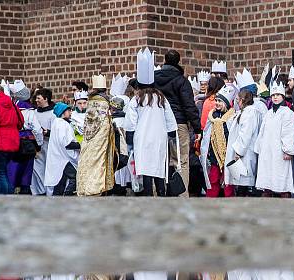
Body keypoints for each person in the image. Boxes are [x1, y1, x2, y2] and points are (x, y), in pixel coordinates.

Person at [124, 48, 178, 197]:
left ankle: (148, 196)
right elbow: (170, 120)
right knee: (159, 168)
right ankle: (161, 193)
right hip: (159, 137)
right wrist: (171, 135)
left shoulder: (136, 99)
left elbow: (130, 123)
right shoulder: (161, 98)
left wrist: (130, 139)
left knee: (146, 169)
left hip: (142, 138)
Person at [155, 49, 202, 197]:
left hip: (158, 123)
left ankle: (157, 194)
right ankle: (182, 196)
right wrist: (197, 128)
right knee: (181, 160)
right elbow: (189, 105)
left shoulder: (153, 79)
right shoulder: (181, 80)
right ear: (178, 62)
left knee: (159, 159)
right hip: (178, 123)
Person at [254, 81, 294, 197]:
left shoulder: (288, 113)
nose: (275, 97)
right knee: (267, 177)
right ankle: (267, 195)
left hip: (280, 152)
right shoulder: (268, 114)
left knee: (281, 177)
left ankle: (284, 196)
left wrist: (288, 150)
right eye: (273, 95)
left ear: (283, 96)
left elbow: (289, 133)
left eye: (278, 95)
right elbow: (262, 132)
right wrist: (259, 148)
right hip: (267, 151)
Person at [76, 75, 117, 196]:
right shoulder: (104, 100)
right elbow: (105, 119)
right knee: (99, 160)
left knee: (87, 159)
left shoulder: (91, 100)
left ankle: (84, 186)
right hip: (101, 135)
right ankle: (95, 188)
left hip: (89, 136)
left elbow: (88, 120)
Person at [200, 84, 238, 197]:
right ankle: (211, 200)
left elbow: (233, 135)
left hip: (228, 154)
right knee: (213, 179)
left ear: (226, 103)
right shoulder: (212, 116)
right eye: (216, 100)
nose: (217, 103)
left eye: (220, 101)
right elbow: (207, 134)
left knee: (228, 181)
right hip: (214, 154)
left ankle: (229, 201)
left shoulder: (232, 117)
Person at [6, 80, 43, 194]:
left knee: (12, 168)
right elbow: (37, 129)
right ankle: (25, 190)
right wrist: (39, 143)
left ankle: (11, 190)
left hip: (13, 140)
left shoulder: (10, 108)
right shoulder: (29, 111)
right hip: (28, 142)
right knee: (27, 170)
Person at [225, 88, 262, 196]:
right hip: (243, 152)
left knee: (243, 182)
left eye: (237, 100)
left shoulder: (250, 113)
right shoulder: (245, 112)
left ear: (242, 100)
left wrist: (238, 152)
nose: (236, 102)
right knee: (240, 182)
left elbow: (245, 134)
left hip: (244, 153)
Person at [44, 102, 79, 196]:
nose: (71, 112)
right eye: (68, 110)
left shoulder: (57, 123)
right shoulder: (62, 124)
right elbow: (67, 144)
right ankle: (67, 196)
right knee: (74, 177)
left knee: (61, 180)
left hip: (59, 158)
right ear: (62, 112)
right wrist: (81, 145)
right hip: (64, 158)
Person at [31, 87, 55, 195]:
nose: (36, 100)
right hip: (37, 145)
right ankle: (40, 191)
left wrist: (48, 132)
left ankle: (50, 191)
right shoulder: (34, 112)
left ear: (46, 99)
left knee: (49, 168)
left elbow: (57, 128)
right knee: (38, 169)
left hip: (49, 144)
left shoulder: (53, 112)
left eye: (38, 98)